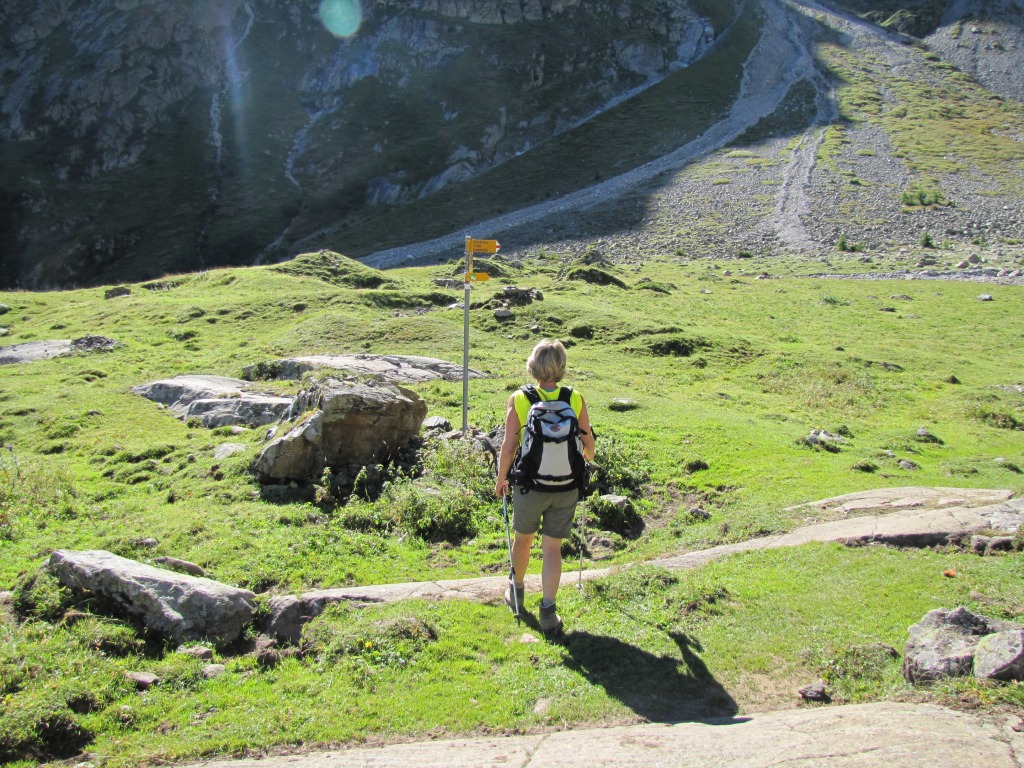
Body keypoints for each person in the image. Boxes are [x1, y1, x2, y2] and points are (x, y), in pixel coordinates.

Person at [494, 339, 596, 635]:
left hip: (530, 485)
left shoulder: (519, 398)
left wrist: (501, 479)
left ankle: (516, 592)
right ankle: (548, 613)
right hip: (566, 486)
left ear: (533, 366)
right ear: (561, 367)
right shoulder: (574, 397)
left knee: (523, 540)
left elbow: (509, 446)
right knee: (552, 549)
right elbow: (588, 443)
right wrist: (586, 461)